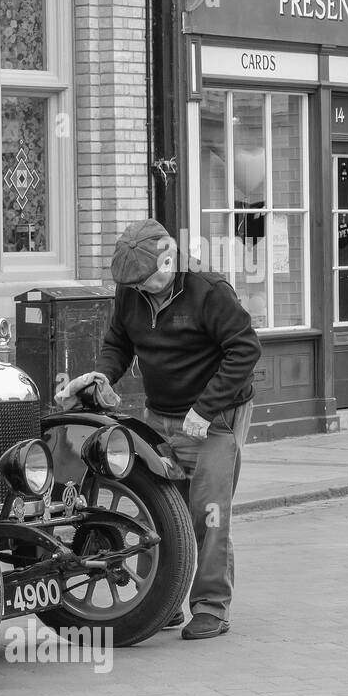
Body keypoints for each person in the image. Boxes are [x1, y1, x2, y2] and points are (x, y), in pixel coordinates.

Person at [57, 218, 262, 640]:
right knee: (161, 515)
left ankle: (211, 607)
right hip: (160, 417)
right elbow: (119, 343)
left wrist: (205, 409)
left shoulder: (209, 291)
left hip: (215, 419)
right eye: (134, 284)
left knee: (208, 514)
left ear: (169, 260)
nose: (141, 289)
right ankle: (163, 602)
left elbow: (245, 349)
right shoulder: (131, 291)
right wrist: (100, 377)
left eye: (147, 280)